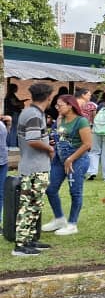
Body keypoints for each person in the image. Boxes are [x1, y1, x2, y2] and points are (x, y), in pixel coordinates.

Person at [12, 83, 55, 256]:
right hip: (34, 167)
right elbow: (32, 140)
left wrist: (46, 142)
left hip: (33, 165)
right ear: (48, 97)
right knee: (29, 206)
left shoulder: (31, 112)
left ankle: (29, 240)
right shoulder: (34, 115)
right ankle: (21, 245)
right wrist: (49, 149)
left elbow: (35, 138)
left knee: (34, 205)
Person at [41, 94, 92, 236]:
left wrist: (71, 159)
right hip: (59, 159)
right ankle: (59, 219)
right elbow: (60, 137)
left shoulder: (81, 121)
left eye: (60, 105)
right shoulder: (60, 119)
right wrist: (54, 142)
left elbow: (87, 144)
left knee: (75, 192)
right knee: (50, 189)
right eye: (56, 105)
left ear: (70, 105)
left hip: (77, 160)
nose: (57, 108)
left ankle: (72, 224)